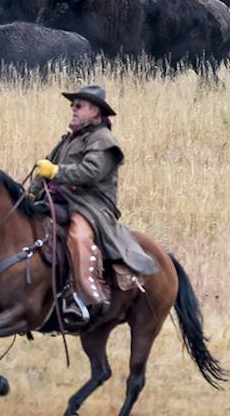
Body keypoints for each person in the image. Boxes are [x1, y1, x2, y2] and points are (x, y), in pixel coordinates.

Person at [31, 84, 160, 329]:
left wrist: (57, 172)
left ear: (94, 110)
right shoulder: (68, 139)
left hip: (91, 206)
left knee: (79, 237)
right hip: (62, 200)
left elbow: (92, 171)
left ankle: (86, 297)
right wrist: (31, 192)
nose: (73, 109)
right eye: (72, 105)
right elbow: (46, 166)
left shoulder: (104, 140)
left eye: (78, 106)